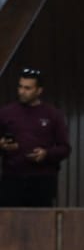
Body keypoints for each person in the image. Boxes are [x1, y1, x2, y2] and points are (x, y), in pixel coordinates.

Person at [0, 66, 69, 208]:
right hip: (12, 179)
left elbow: (65, 148)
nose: (22, 91)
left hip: (42, 180)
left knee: (41, 220)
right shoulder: (6, 113)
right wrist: (2, 145)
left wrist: (46, 154)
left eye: (27, 88)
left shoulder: (53, 115)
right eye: (20, 87)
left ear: (39, 91)